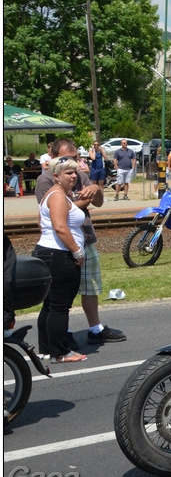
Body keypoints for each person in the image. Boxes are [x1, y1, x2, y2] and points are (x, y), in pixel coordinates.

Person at [34, 139, 126, 347]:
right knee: (61, 296)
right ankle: (60, 336)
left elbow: (99, 202)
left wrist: (96, 188)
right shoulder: (46, 180)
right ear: (53, 158)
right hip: (62, 246)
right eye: (67, 158)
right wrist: (87, 197)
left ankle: (95, 329)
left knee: (90, 287)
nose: (74, 164)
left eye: (75, 157)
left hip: (85, 237)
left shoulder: (78, 174)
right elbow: (62, 209)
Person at [32, 155, 88, 363]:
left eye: (75, 172)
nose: (73, 176)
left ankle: (47, 349)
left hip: (48, 252)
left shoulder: (55, 194)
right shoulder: (57, 195)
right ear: (56, 176)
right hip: (59, 255)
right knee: (59, 306)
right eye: (68, 172)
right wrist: (77, 251)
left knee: (50, 304)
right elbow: (60, 227)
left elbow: (40, 222)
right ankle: (60, 352)